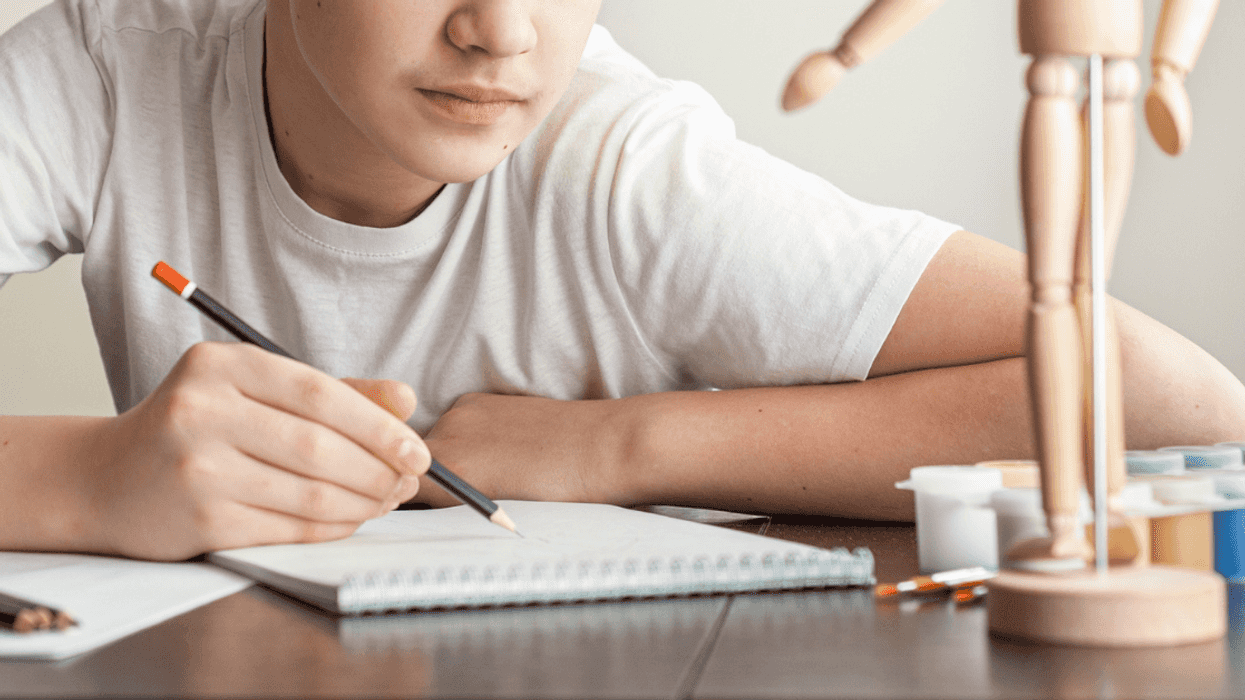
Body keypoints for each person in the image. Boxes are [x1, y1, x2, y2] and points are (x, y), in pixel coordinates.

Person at [1, 0, 1242, 562]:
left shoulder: (623, 165)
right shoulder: (106, 77)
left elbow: (1176, 402)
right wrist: (87, 479)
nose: (500, 30)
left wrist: (621, 445)